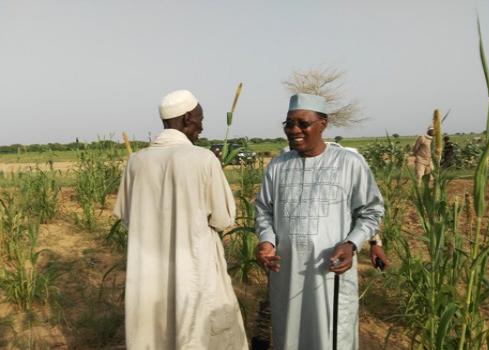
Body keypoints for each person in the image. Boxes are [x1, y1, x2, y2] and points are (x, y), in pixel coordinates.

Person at [114, 90, 247, 350]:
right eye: (200, 118)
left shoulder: (136, 162)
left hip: (149, 271)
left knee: (155, 333)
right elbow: (222, 219)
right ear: (187, 118)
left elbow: (129, 218)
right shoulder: (203, 158)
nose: (202, 126)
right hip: (193, 268)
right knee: (196, 332)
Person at [255, 93, 385, 350]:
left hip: (329, 274)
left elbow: (370, 211)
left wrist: (352, 244)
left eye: (303, 124)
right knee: (289, 336)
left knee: (330, 338)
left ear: (323, 124)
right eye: (289, 124)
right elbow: (264, 211)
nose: (294, 130)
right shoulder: (277, 166)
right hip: (286, 273)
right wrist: (266, 242)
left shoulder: (349, 163)